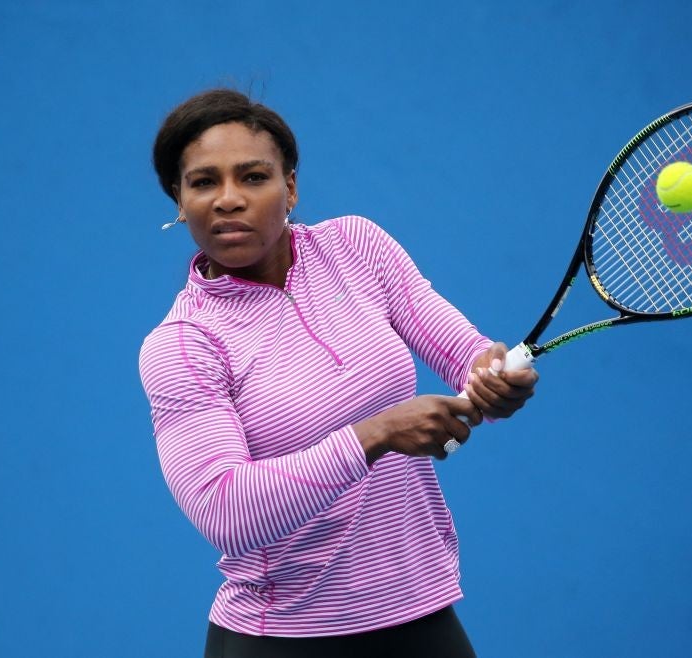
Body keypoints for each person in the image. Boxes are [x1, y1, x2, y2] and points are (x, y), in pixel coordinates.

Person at [139, 88, 539, 658]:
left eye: (253, 176)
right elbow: (224, 508)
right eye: (204, 182)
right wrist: (374, 435)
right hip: (280, 638)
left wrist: (494, 379)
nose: (229, 199)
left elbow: (462, 351)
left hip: (417, 614)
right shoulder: (182, 345)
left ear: (291, 187)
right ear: (179, 201)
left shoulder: (357, 248)